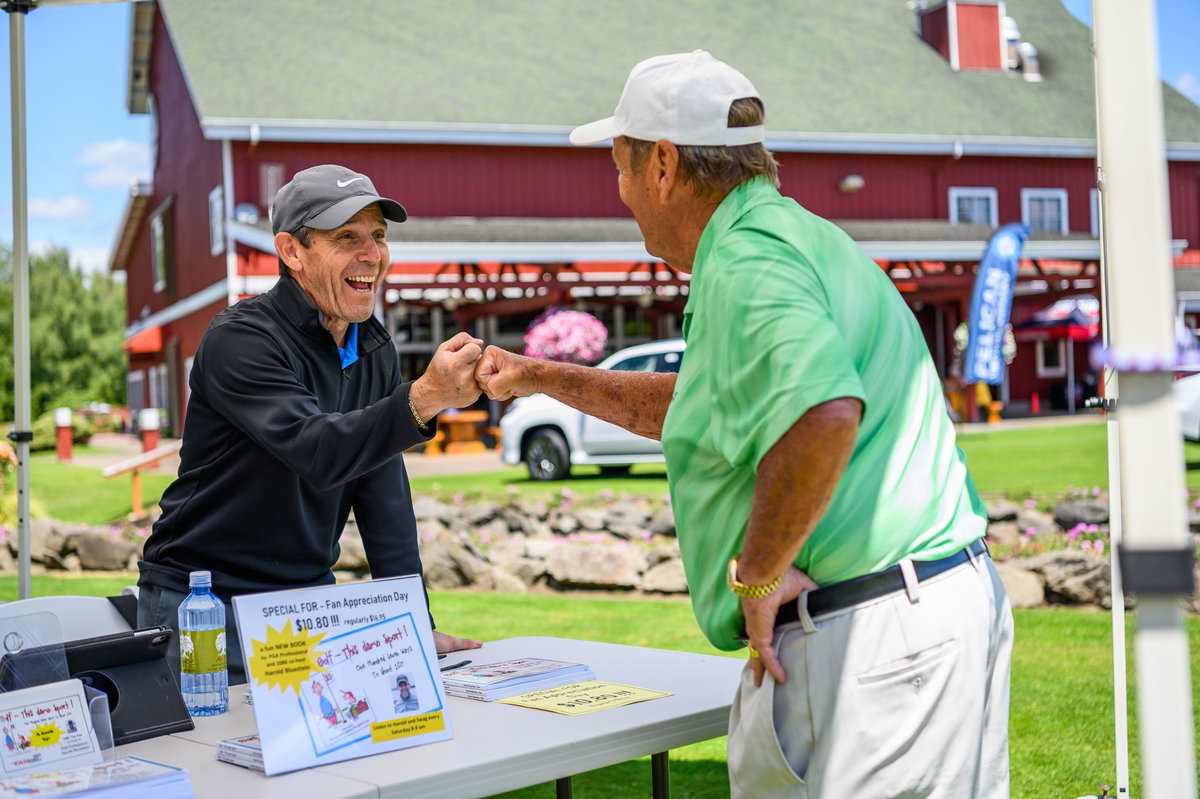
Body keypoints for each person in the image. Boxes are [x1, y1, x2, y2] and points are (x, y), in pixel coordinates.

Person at [474, 51, 1012, 797]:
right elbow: (697, 404)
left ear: (663, 164)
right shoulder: (786, 235)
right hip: (931, 607)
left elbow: (822, 410)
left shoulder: (747, 259)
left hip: (872, 637)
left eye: (621, 166)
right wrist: (539, 375)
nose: (621, 191)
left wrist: (756, 577)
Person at [137, 164, 483, 684]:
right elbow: (318, 451)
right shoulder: (241, 339)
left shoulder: (373, 346)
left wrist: (416, 622)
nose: (372, 255)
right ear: (292, 251)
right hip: (205, 601)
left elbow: (381, 492)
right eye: (347, 237)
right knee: (213, 758)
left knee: (320, 762)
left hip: (307, 603)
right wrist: (425, 398)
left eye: (379, 236)